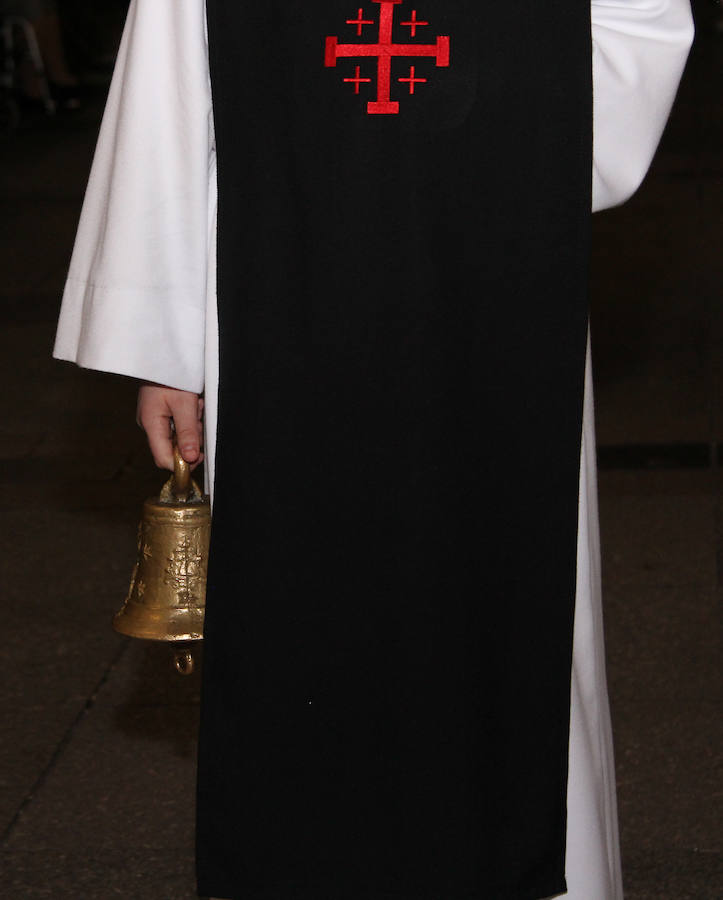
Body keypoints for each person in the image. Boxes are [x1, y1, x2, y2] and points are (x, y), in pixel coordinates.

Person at [53, 2, 693, 898]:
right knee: (299, 609)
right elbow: (170, 64)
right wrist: (162, 346)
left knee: (502, 604)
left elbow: (639, 22)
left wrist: (508, 113)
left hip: (491, 273)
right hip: (280, 285)